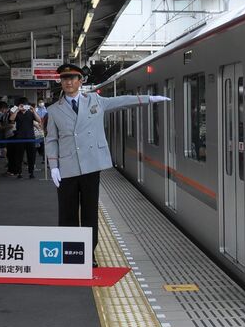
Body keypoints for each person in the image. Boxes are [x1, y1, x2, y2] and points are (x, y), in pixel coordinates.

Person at [45, 63, 168, 249]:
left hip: (91, 166)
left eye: (72, 78)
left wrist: (149, 99)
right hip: (67, 167)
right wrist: (53, 165)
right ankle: (69, 252)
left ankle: (88, 252)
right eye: (64, 78)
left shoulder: (95, 100)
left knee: (90, 212)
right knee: (67, 212)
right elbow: (51, 139)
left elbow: (122, 101)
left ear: (80, 81)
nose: (68, 82)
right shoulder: (54, 110)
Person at [11, 98, 38, 178]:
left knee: (31, 156)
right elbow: (11, 119)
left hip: (30, 137)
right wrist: (17, 110)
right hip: (20, 137)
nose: (23, 107)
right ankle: (19, 172)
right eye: (22, 105)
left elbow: (39, 120)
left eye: (25, 105)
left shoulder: (30, 113)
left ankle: (31, 172)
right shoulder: (17, 113)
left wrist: (34, 111)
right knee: (19, 156)